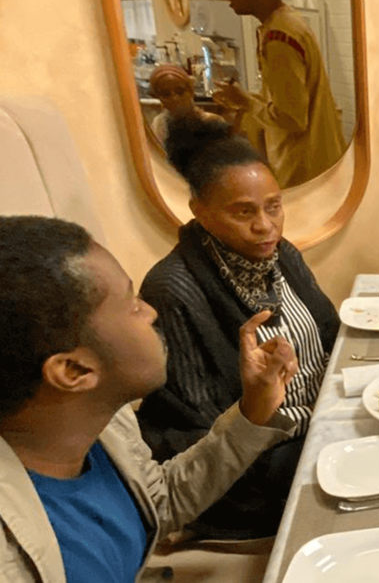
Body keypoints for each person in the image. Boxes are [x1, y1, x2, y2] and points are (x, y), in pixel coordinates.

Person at [0, 215, 298, 582]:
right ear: (74, 370)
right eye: (132, 304)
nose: (151, 311)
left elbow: (159, 503)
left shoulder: (106, 421)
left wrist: (254, 410)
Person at [134, 113, 340, 539]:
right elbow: (200, 425)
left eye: (273, 206)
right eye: (243, 212)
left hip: (323, 419)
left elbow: (328, 334)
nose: (265, 225)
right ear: (200, 212)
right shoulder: (174, 289)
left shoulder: (280, 254)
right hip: (259, 460)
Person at [211, 0, 347, 188]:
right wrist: (245, 98)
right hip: (319, 164)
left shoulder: (278, 38)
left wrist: (246, 103)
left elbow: (292, 119)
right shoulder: (287, 21)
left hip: (304, 173)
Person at [148, 65, 216, 148]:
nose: (174, 98)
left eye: (180, 92)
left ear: (191, 91)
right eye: (166, 94)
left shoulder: (211, 121)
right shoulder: (158, 125)